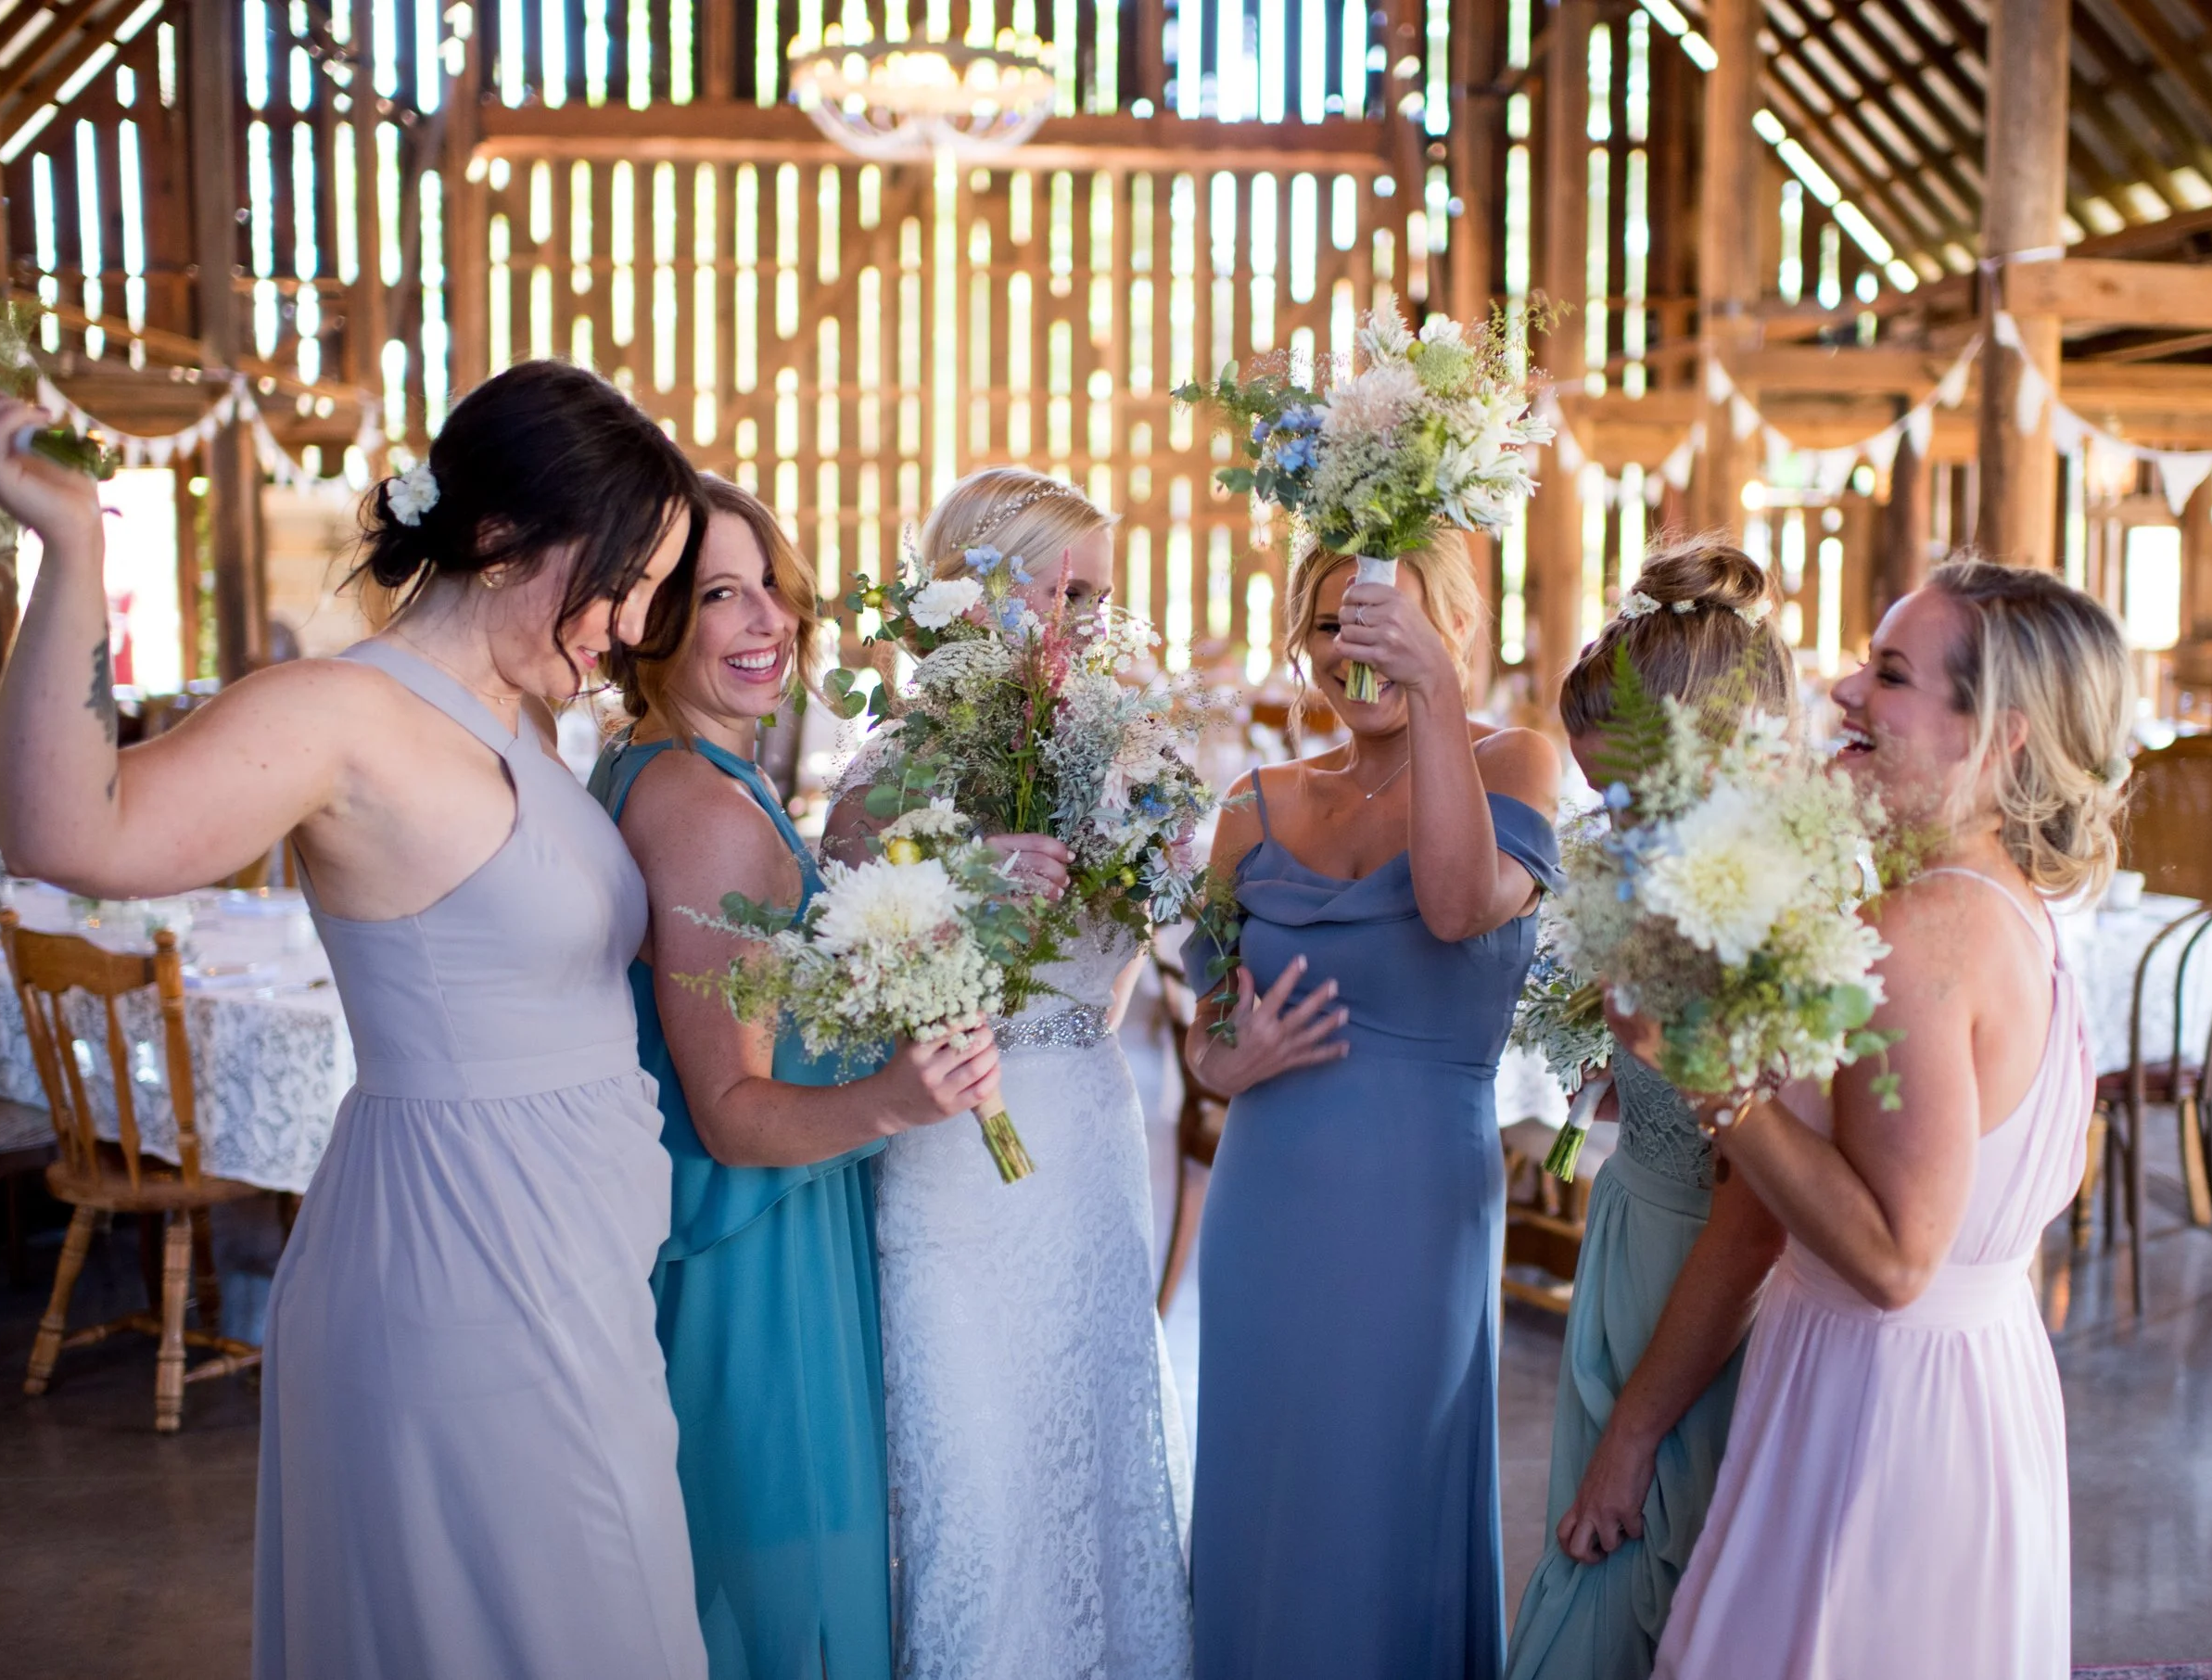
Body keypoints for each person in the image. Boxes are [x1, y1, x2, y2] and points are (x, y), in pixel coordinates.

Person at [0, 363, 713, 1680]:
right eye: (618, 580)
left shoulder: (521, 716)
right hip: (462, 1266)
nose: (629, 627)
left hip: (572, 1264)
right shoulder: (342, 715)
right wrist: (66, 545)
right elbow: (71, 832)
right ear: (498, 533)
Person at [1636, 560, 2133, 1679]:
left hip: (1878, 1407)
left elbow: (1896, 1261)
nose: (1844, 691)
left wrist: (1707, 1070)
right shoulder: (2013, 906)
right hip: (1979, 1386)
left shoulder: (1922, 933)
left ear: (1996, 738)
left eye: (1891, 674)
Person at [590, 477, 998, 1680]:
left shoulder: (679, 771)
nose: (769, 620)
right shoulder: (704, 810)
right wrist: (903, 1097)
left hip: (764, 1238)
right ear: (654, 616)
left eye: (774, 586)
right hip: (750, 1266)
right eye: (723, 593)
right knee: (774, 1605)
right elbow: (732, 1113)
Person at [827, 465, 1196, 1680]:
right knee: (976, 1469)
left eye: (1100, 592)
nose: (1088, 618)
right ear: (973, 596)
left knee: (1088, 1451)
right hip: (953, 1147)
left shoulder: (1121, 751)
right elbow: (850, 992)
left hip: (1086, 1138)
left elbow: (1141, 954)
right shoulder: (895, 769)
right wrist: (965, 909)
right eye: (1065, 588)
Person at [1183, 528, 1563, 1679]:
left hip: (1416, 1208)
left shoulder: (1519, 764)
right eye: (1332, 629)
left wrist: (1437, 694)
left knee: (1386, 1485)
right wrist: (1229, 1065)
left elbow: (1455, 906)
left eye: (1388, 628)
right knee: (1266, 1492)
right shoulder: (1251, 805)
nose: (1359, 658)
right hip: (1264, 1202)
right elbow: (1206, 1030)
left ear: (1451, 632)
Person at [1504, 546, 1794, 1680]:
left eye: (1630, 798)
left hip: (1703, 1297)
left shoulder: (1765, 918)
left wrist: (1630, 1436)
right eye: (1598, 799)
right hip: (1633, 1242)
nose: (1614, 829)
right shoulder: (1675, 884)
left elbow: (1757, 1217)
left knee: (1632, 1576)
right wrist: (1628, 1073)